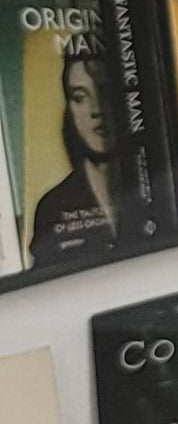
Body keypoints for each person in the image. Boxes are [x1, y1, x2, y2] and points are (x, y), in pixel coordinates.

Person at [25, 34, 121, 269]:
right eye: (80, 97)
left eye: (104, 91)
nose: (96, 109)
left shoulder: (157, 182)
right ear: (69, 110)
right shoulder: (52, 208)